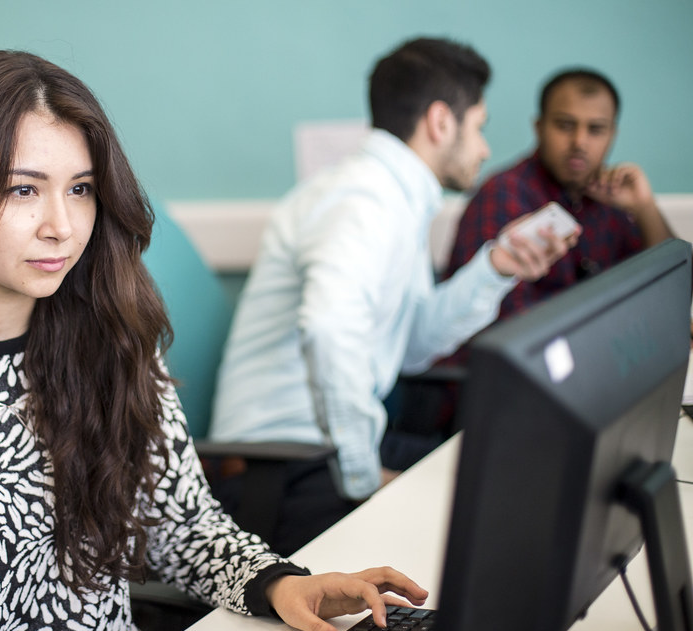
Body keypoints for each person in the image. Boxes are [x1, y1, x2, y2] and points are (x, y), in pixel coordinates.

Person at [0, 50, 428, 631]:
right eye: (22, 190)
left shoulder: (107, 332)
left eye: (80, 189)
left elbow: (183, 523)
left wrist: (284, 586)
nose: (62, 227)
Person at [209, 37, 577, 556]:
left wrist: (496, 268)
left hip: (320, 454)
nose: (485, 148)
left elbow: (411, 344)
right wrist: (365, 478)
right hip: (283, 470)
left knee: (512, 476)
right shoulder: (363, 200)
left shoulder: (391, 197)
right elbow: (329, 329)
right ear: (441, 122)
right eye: (479, 126)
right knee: (496, 527)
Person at [445, 68, 674, 319]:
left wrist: (644, 208)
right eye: (565, 125)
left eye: (596, 129)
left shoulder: (612, 198)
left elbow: (675, 291)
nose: (579, 142)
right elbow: (506, 327)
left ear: (612, 135)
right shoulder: (504, 194)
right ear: (539, 127)